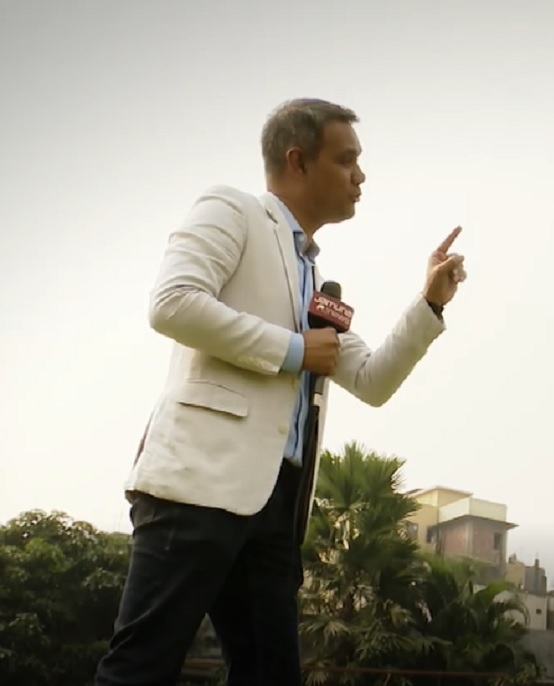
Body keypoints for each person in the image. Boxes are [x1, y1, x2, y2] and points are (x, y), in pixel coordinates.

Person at [95, 98, 467, 686]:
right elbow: (172, 303)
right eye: (346, 160)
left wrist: (430, 303)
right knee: (142, 668)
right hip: (196, 487)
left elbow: (371, 381)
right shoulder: (232, 210)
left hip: (276, 509)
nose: (360, 176)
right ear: (298, 161)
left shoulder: (313, 278)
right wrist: (294, 350)